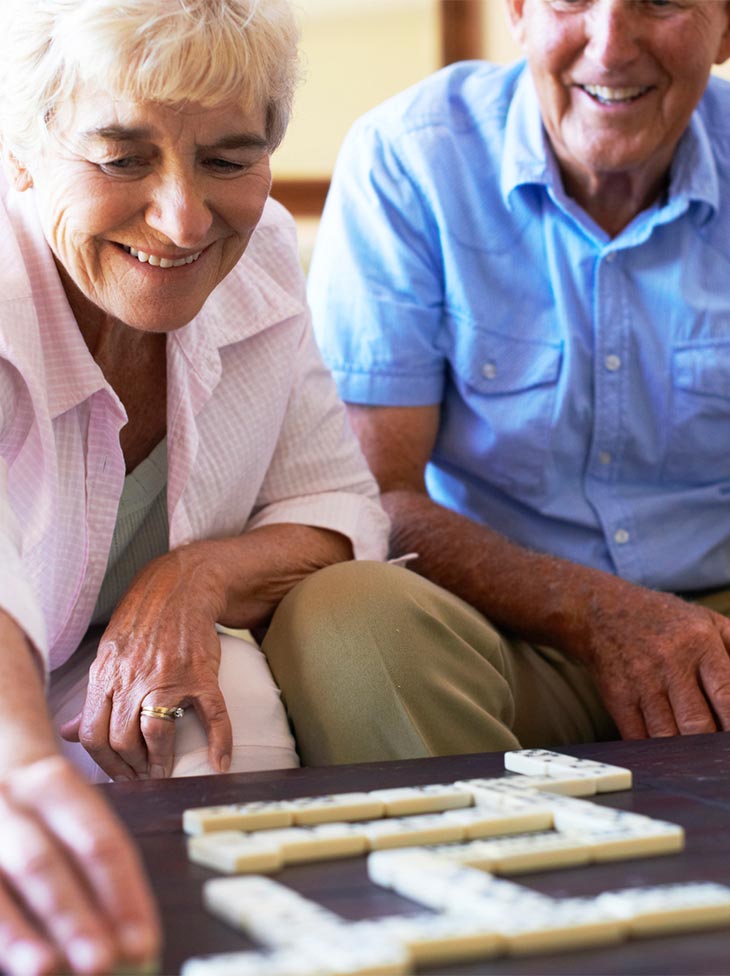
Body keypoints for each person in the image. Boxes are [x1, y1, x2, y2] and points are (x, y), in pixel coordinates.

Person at [0, 0, 389, 971]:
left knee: (225, 712)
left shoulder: (257, 257)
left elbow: (337, 501)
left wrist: (197, 575)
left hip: (99, 681)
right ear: (22, 154)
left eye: (226, 159)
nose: (181, 219)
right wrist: (20, 765)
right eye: (122, 157)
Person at [302, 0, 730, 760]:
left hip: (721, 625)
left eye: (661, 1)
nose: (611, 45)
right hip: (509, 627)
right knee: (345, 617)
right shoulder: (409, 159)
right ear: (520, 13)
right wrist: (603, 616)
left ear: (726, 28)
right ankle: (482, 878)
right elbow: (370, 496)